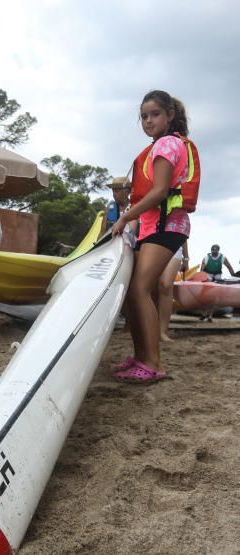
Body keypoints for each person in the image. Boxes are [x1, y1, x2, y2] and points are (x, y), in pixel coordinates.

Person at [111, 90, 200, 383]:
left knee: (139, 289)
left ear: (170, 115)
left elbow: (160, 191)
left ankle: (153, 362)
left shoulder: (167, 145)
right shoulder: (159, 146)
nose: (148, 121)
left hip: (168, 226)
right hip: (155, 227)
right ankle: (140, 357)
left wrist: (125, 216)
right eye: (144, 116)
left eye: (155, 114)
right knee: (138, 292)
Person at [156, 241, 189, 341]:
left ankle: (162, 331)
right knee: (151, 288)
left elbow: (183, 230)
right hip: (149, 242)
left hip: (173, 243)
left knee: (166, 285)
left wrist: (186, 258)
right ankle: (151, 329)